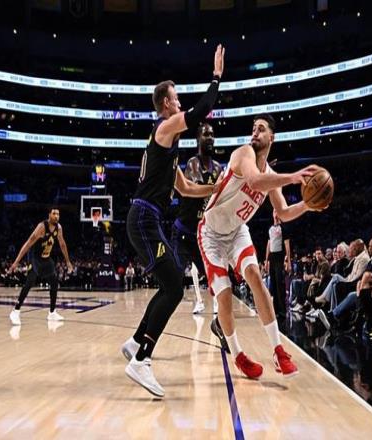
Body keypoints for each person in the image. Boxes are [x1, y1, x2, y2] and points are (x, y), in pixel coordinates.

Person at [121, 44, 225, 398]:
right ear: (166, 103)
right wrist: (216, 77)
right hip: (144, 219)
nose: (180, 103)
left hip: (147, 220)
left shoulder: (168, 149)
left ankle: (136, 342)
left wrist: (216, 188)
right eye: (177, 99)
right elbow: (201, 112)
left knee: (170, 285)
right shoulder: (165, 127)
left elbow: (187, 189)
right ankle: (142, 359)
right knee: (175, 288)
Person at [198, 113, 323, 379]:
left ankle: (279, 351)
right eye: (253, 128)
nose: (255, 133)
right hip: (211, 234)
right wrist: (292, 177)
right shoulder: (244, 153)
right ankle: (238, 355)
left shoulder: (272, 176)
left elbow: (284, 212)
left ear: (272, 137)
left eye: (261, 129)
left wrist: (307, 205)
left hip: (236, 231)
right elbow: (254, 181)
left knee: (255, 276)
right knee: (224, 295)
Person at [171, 122, 222, 314]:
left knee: (215, 273)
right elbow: (193, 190)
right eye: (206, 134)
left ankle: (214, 304)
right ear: (198, 139)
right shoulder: (193, 163)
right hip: (184, 231)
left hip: (204, 232)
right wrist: (216, 188)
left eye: (212, 134)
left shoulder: (218, 167)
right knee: (174, 280)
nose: (210, 138)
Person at [8, 207, 73, 325]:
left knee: (54, 282)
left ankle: (52, 313)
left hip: (46, 258)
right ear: (49, 215)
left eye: (58, 214)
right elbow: (28, 244)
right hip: (34, 257)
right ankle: (15, 311)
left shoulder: (59, 228)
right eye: (54, 214)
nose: (56, 216)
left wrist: (68, 262)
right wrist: (16, 262)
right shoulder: (42, 227)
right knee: (30, 281)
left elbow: (62, 244)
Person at [265, 209, 291, 324]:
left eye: (277, 211)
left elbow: (287, 244)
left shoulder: (283, 227)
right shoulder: (270, 228)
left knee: (280, 283)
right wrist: (266, 261)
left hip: (280, 257)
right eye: (274, 211)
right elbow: (269, 244)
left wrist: (288, 261)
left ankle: (282, 310)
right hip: (272, 258)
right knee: (273, 284)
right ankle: (275, 309)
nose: (275, 213)